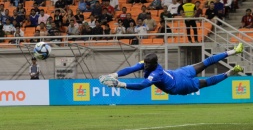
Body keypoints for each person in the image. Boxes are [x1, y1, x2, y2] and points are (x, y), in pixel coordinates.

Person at [99, 43, 244, 95]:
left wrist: (121, 85)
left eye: (147, 64)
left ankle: (233, 54)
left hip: (179, 84)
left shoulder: (156, 74)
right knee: (205, 75)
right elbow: (131, 69)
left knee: (205, 71)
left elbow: (142, 86)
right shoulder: (148, 63)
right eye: (145, 63)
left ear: (153, 64)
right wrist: (115, 74)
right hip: (178, 77)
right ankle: (232, 68)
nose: (144, 66)